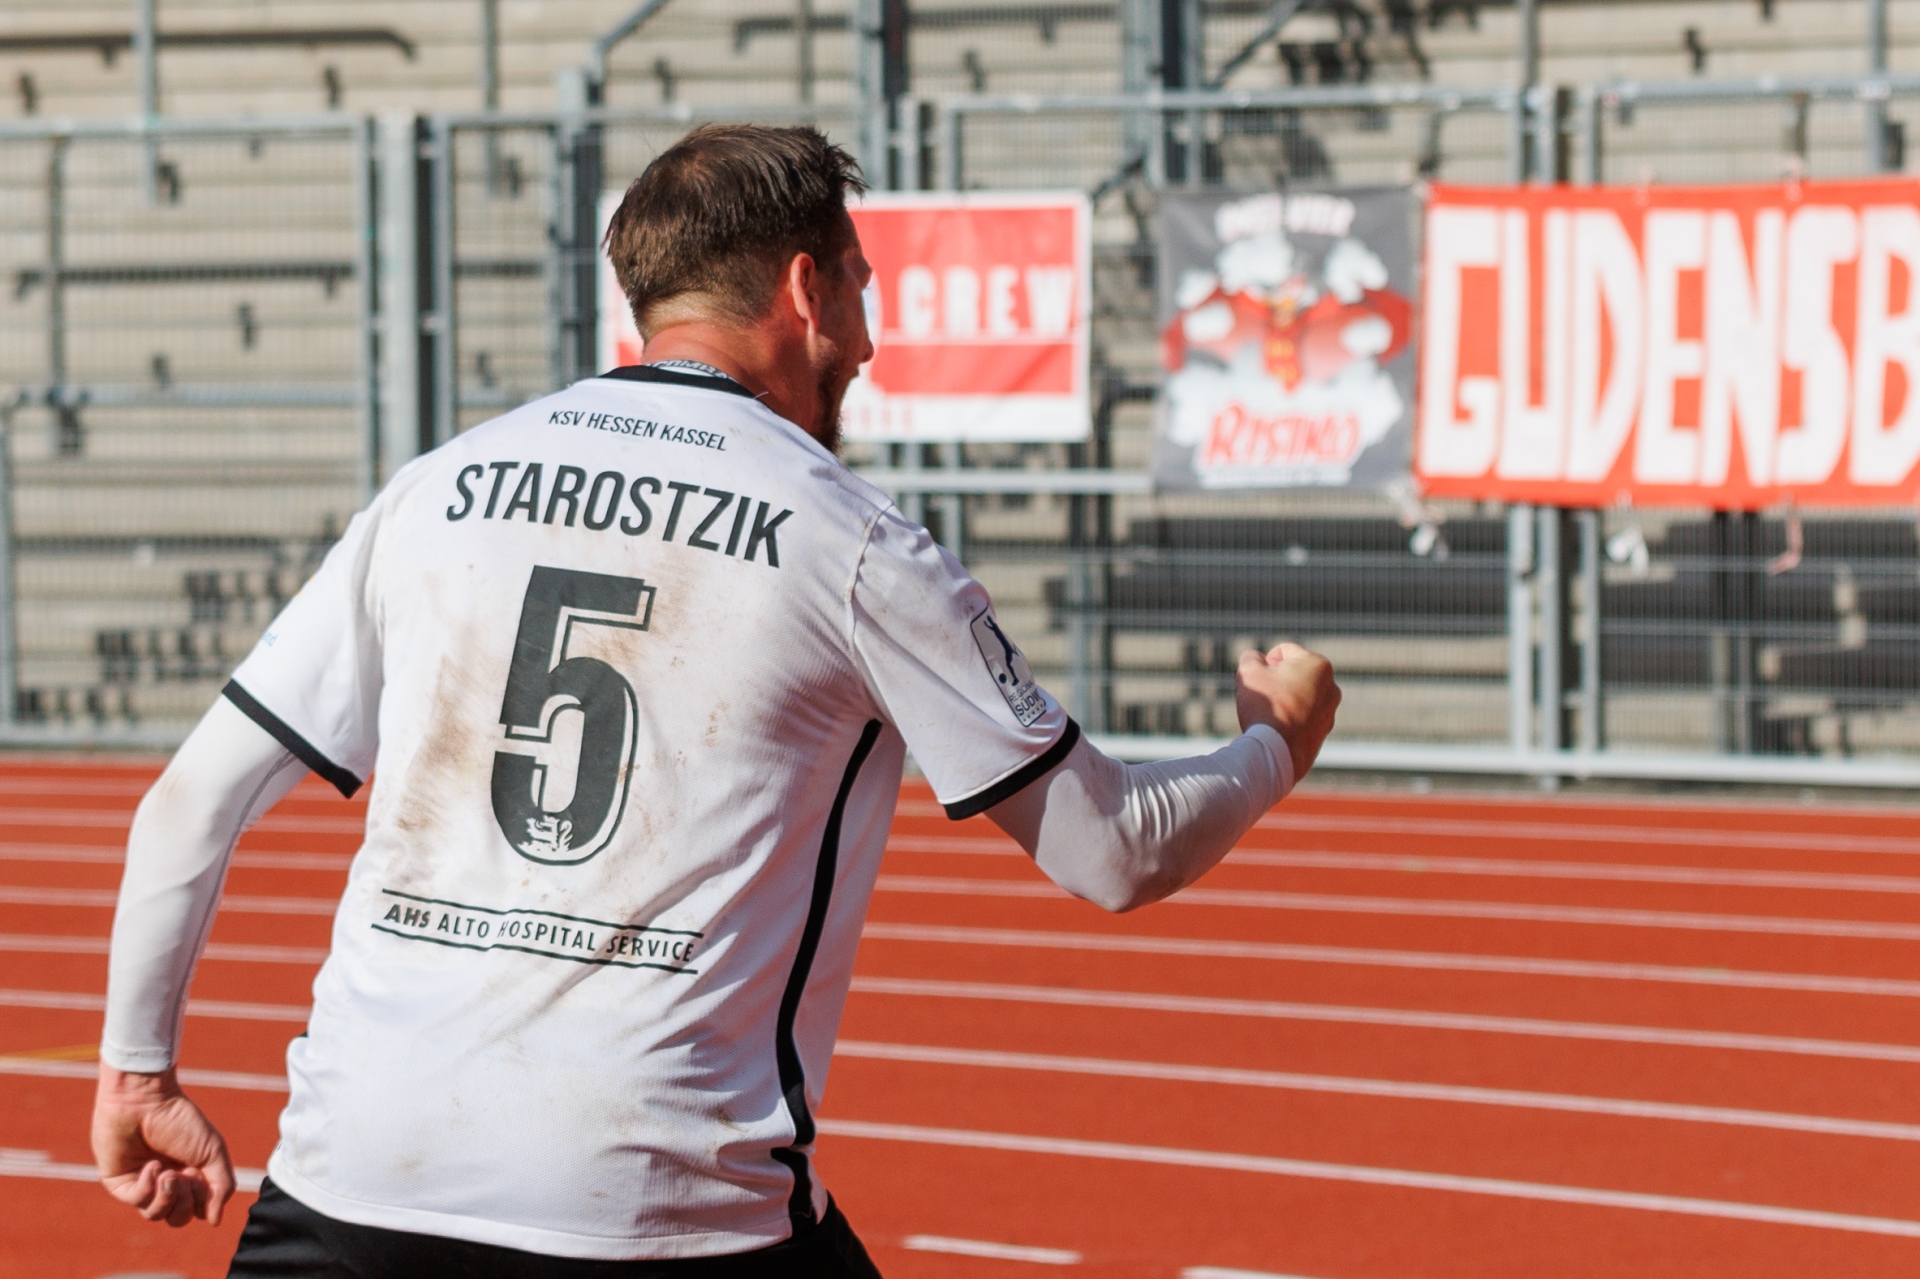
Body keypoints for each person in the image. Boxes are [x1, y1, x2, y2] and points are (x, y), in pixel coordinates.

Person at [91, 124, 1341, 1277]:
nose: (868, 342)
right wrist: (1273, 744)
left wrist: (137, 1072)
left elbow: (187, 803)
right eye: (859, 289)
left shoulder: (436, 486)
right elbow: (1114, 851)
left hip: (350, 1176)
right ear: (805, 288)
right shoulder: (854, 543)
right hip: (655, 1199)